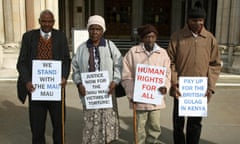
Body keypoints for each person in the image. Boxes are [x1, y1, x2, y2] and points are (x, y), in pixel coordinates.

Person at [167, 2, 222, 144]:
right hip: (180, 87)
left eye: (200, 20)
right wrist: (174, 82)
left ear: (203, 20)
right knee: (178, 122)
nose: (197, 23)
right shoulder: (177, 37)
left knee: (195, 123)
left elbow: (215, 64)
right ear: (188, 20)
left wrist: (210, 87)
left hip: (199, 89)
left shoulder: (210, 39)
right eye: (194, 20)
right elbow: (170, 62)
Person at [16, 9, 71, 144]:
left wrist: (64, 76)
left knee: (59, 127)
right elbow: (21, 63)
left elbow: (66, 60)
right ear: (39, 21)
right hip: (35, 91)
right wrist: (27, 81)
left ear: (53, 22)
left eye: (49, 21)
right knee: (37, 128)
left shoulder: (60, 36)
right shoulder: (28, 37)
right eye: (44, 21)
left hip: (55, 90)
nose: (46, 24)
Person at [71, 15, 122, 144]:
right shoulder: (82, 49)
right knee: (91, 124)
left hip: (107, 93)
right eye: (92, 28)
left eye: (98, 29)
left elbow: (119, 65)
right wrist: (79, 84)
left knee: (107, 123)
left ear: (102, 30)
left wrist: (115, 81)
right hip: (90, 94)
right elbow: (75, 69)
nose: (94, 32)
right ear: (88, 30)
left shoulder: (110, 46)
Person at [121, 24, 171, 144]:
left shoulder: (162, 53)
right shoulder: (133, 52)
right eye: (147, 37)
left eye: (153, 37)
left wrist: (165, 86)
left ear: (156, 38)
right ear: (142, 38)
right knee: (139, 126)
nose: (150, 40)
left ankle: (152, 142)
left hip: (155, 98)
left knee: (155, 125)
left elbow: (167, 73)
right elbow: (126, 75)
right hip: (139, 98)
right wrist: (131, 92)